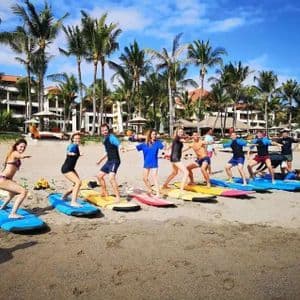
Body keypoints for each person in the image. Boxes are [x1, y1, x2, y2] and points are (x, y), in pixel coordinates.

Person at [0, 139, 31, 218]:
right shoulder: (14, 153)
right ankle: (13, 214)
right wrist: (24, 156)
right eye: (21, 147)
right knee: (23, 191)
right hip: (3, 179)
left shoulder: (14, 154)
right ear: (16, 146)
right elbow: (19, 155)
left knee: (12, 193)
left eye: (24, 147)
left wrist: (12, 181)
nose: (22, 149)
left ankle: (2, 207)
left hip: (6, 179)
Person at [97, 123, 122, 202]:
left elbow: (119, 144)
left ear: (108, 130)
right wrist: (100, 160)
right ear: (101, 131)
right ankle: (105, 192)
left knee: (111, 178)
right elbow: (106, 152)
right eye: (103, 130)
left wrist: (122, 148)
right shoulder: (104, 140)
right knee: (99, 176)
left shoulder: (112, 137)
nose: (104, 131)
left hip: (115, 161)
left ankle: (118, 197)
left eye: (106, 130)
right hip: (109, 161)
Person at [136, 129, 164, 196]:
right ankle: (150, 190)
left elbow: (163, 147)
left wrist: (166, 145)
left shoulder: (157, 142)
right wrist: (126, 149)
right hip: (146, 163)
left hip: (154, 162)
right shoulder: (145, 144)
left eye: (155, 134)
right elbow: (135, 147)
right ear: (150, 135)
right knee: (144, 178)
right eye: (153, 134)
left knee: (154, 177)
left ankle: (158, 194)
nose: (154, 135)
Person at [162, 128, 189, 196]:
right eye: (179, 132)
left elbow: (171, 145)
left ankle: (165, 185)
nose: (181, 133)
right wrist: (189, 138)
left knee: (174, 173)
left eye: (182, 132)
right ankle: (181, 190)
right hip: (176, 159)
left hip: (173, 158)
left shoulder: (175, 139)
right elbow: (184, 140)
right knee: (186, 172)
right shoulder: (177, 138)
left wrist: (167, 150)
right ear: (176, 133)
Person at [61, 132, 82, 207]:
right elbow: (68, 151)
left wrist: (78, 154)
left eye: (79, 138)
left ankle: (64, 196)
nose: (77, 140)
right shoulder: (72, 145)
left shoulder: (76, 146)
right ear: (72, 139)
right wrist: (70, 153)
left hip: (71, 168)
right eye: (76, 138)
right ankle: (73, 202)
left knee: (78, 183)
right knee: (78, 182)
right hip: (66, 169)